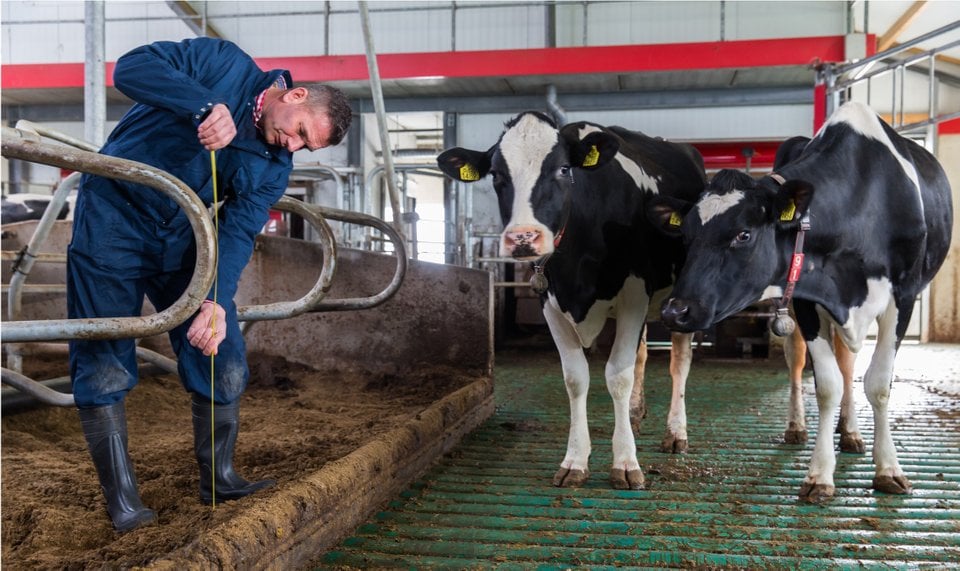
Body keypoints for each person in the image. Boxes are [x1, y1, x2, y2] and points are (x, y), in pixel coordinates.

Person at [68, 37, 352, 533]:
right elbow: (131, 68)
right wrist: (202, 106)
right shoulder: (222, 63)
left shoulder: (273, 166)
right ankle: (123, 500)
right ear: (295, 95)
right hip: (111, 221)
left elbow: (238, 231)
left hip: (182, 236)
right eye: (300, 133)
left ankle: (219, 479)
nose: (294, 147)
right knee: (104, 354)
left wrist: (217, 302)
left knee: (221, 352)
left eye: (306, 146)